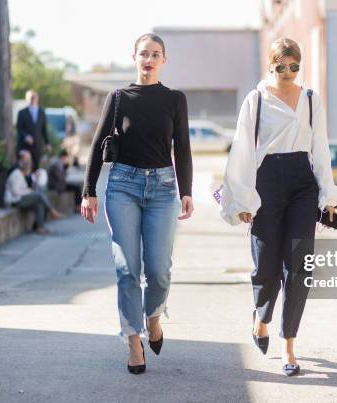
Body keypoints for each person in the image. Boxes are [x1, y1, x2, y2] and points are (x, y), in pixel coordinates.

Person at [220, 38, 337, 376]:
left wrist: (328, 196)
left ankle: (289, 346)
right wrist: (243, 198)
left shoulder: (311, 98)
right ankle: (262, 316)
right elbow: (243, 148)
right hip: (267, 180)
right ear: (270, 66)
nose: (288, 73)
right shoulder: (256, 99)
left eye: (294, 66)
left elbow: (320, 147)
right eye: (280, 67)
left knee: (299, 266)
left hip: (302, 183)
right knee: (267, 265)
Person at [80, 33, 194, 375]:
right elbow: (97, 143)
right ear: (134, 57)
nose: (149, 58)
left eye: (155, 54)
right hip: (123, 188)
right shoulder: (119, 98)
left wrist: (186, 190)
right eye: (144, 53)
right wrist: (89, 190)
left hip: (162, 189)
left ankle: (153, 321)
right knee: (126, 268)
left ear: (163, 60)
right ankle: (133, 341)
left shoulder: (175, 99)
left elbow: (184, 148)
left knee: (158, 271)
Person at [4, 150, 63, 234]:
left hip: (19, 199)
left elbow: (25, 189)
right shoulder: (16, 175)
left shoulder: (21, 176)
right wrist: (29, 191)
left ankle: (39, 227)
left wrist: (31, 188)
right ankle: (52, 211)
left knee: (38, 203)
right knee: (39, 196)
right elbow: (16, 192)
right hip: (14, 201)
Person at [16, 90, 49, 170]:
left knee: (36, 168)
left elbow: (44, 129)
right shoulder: (22, 112)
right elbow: (19, 128)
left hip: (37, 146)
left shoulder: (41, 112)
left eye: (34, 97)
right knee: (25, 168)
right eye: (31, 98)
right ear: (27, 99)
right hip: (25, 146)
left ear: (37, 98)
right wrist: (26, 136)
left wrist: (47, 143)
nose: (33, 99)